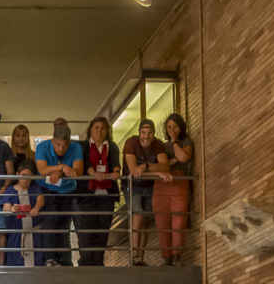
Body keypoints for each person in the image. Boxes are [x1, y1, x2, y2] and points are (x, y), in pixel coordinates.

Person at [34, 118, 84, 266]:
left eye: (65, 145)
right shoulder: (42, 147)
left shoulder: (76, 147)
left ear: (70, 143)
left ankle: (65, 261)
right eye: (57, 144)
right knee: (49, 224)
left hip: (67, 191)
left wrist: (60, 173)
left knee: (64, 227)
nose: (61, 149)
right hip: (47, 190)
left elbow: (78, 170)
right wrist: (62, 167)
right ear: (52, 141)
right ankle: (50, 259)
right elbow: (42, 170)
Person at [76, 115, 121, 266]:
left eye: (103, 128)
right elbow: (85, 163)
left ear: (107, 131)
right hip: (87, 197)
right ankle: (86, 263)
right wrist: (94, 174)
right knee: (86, 232)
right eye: (96, 128)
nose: (99, 131)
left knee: (102, 231)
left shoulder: (112, 146)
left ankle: (99, 263)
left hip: (106, 196)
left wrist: (116, 172)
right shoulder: (83, 146)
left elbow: (115, 163)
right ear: (90, 129)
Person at [123, 119, 167, 267]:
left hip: (149, 186)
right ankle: (134, 256)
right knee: (138, 216)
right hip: (132, 186)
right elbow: (134, 171)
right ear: (139, 133)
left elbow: (165, 167)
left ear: (153, 134)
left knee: (145, 221)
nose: (146, 136)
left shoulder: (158, 144)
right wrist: (157, 172)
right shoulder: (131, 143)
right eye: (143, 132)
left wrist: (146, 166)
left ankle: (140, 258)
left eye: (149, 133)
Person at [155, 113, 194, 265]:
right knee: (162, 221)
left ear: (181, 128)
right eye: (169, 127)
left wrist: (174, 141)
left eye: (175, 127)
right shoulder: (160, 146)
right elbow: (159, 166)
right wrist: (168, 164)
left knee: (178, 219)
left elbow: (183, 157)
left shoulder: (186, 142)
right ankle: (166, 257)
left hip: (179, 181)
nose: (171, 130)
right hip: (162, 184)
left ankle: (177, 254)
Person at [2, 164, 44, 266]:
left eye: (29, 176)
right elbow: (5, 208)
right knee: (16, 265)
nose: (26, 180)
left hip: (34, 235)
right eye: (23, 175)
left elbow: (40, 198)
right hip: (16, 236)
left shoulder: (35, 188)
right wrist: (11, 209)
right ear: (17, 174)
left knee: (36, 264)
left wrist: (36, 208)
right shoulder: (10, 190)